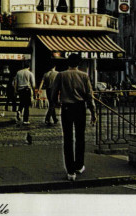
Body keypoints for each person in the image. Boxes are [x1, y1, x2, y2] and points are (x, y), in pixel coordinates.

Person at [51, 52, 96, 181]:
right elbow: (89, 96)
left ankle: (70, 171)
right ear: (79, 63)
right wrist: (93, 112)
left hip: (66, 108)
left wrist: (54, 105)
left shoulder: (61, 75)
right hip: (80, 108)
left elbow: (54, 93)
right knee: (80, 137)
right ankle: (79, 165)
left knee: (68, 139)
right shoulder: (84, 76)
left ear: (68, 62)